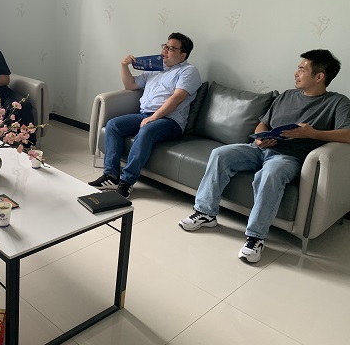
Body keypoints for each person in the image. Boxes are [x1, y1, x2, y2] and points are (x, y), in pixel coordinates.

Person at [179, 50, 350, 263]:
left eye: (302, 69)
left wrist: (312, 133)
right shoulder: (287, 95)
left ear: (319, 76)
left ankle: (255, 238)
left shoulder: (338, 103)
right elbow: (263, 123)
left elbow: (347, 134)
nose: (296, 73)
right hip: (259, 149)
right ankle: (205, 213)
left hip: (288, 157)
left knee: (270, 173)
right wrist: (260, 138)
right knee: (220, 154)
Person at [89, 32, 202, 198]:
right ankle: (111, 176)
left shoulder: (189, 71)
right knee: (113, 125)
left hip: (171, 121)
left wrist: (154, 117)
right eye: (165, 46)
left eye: (171, 48)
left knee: (146, 130)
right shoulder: (155, 67)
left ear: (183, 55)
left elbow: (177, 98)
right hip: (145, 115)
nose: (165, 51)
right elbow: (130, 85)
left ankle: (127, 181)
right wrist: (124, 66)